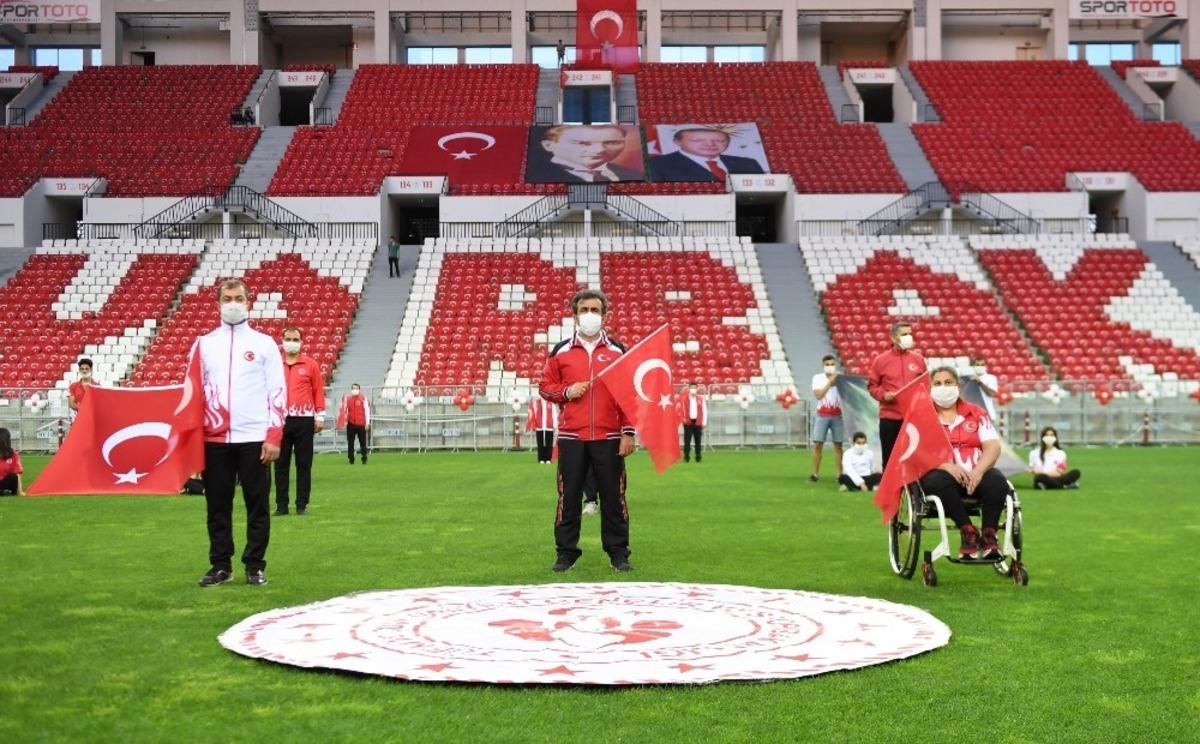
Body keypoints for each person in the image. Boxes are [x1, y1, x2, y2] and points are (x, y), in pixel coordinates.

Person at [191, 278, 285, 587]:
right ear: (218, 303)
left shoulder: (264, 344)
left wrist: (273, 436)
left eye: (238, 298)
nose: (233, 304)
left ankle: (255, 565)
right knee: (217, 505)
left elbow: (277, 391)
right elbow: (192, 394)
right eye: (227, 298)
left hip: (254, 438)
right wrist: (193, 442)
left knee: (257, 504)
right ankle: (221, 565)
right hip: (214, 438)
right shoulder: (203, 344)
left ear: (248, 302)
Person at [539, 289, 636, 572]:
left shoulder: (618, 351)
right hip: (572, 436)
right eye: (584, 310)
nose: (590, 315)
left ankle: (618, 553)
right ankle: (566, 553)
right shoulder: (561, 351)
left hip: (609, 437)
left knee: (614, 498)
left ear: (604, 316)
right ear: (575, 315)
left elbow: (629, 394)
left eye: (595, 310)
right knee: (568, 498)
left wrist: (628, 432)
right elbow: (545, 387)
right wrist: (567, 391)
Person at [918, 366, 1008, 560]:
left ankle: (989, 536)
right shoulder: (922, 416)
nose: (943, 387)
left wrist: (978, 472)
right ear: (930, 388)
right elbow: (917, 451)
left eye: (948, 382)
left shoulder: (977, 413)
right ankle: (968, 531)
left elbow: (993, 447)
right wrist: (945, 466)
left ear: (958, 385)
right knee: (936, 481)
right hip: (943, 476)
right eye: (937, 383)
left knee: (998, 481)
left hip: (976, 473)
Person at [274, 327, 325, 516]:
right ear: (282, 340)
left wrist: (320, 416)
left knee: (304, 464)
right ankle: (281, 505)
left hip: (304, 419)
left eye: (295, 339)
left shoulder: (311, 365)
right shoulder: (274, 364)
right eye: (288, 339)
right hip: (280, 420)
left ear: (301, 342)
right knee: (280, 465)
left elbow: (318, 391)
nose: (291, 342)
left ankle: (302, 504)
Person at [868, 322, 927, 468]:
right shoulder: (880, 360)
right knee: (890, 462)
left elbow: (926, 386)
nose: (909, 337)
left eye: (910, 334)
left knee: (915, 460)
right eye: (904, 334)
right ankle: (889, 484)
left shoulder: (919, 359)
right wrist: (884, 395)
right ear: (893, 338)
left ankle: (915, 484)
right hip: (890, 419)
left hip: (914, 419)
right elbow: (872, 386)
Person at [527, 125, 643, 183]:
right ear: (548, 145)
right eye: (582, 143)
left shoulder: (635, 176)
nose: (599, 150)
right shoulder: (535, 176)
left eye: (612, 142)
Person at [649, 127, 765, 182]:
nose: (710, 144)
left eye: (719, 140)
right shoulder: (656, 165)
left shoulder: (748, 163)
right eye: (698, 140)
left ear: (728, 142)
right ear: (677, 141)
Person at [810, 355, 844, 482]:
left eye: (832, 364)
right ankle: (815, 474)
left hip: (837, 415)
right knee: (818, 445)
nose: (830, 366)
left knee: (838, 445)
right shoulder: (817, 378)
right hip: (822, 415)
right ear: (823, 365)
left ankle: (840, 475)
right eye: (827, 364)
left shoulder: (841, 378)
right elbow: (818, 395)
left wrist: (837, 381)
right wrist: (830, 383)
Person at [678, 382, 707, 463]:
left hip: (698, 422)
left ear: (697, 389)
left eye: (694, 387)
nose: (693, 389)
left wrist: (704, 422)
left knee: (698, 441)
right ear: (689, 389)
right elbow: (681, 410)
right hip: (688, 422)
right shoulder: (685, 399)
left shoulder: (700, 399)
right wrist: (683, 419)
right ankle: (686, 457)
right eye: (691, 388)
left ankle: (698, 457)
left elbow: (704, 410)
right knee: (687, 441)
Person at [527, 392, 558, 464]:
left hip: (549, 426)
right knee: (540, 443)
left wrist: (555, 424)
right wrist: (533, 424)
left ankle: (548, 459)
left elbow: (554, 414)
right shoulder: (536, 403)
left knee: (549, 443)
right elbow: (533, 413)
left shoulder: (551, 403)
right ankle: (541, 458)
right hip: (539, 426)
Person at [342, 383, 370, 465]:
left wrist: (367, 423)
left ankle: (364, 458)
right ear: (351, 389)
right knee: (350, 443)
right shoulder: (348, 399)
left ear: (359, 389)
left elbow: (367, 411)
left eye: (356, 388)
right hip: (351, 424)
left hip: (361, 424)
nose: (355, 390)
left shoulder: (363, 399)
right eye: (353, 388)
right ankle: (351, 459)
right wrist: (344, 420)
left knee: (363, 443)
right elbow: (345, 410)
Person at [969, 355, 1000, 422]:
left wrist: (979, 382)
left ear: (986, 366)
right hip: (971, 416)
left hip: (988, 415)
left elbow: (992, 394)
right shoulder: (968, 379)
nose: (980, 367)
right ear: (973, 366)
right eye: (977, 365)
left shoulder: (991, 378)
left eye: (982, 365)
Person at [0, 427, 25, 496]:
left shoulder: (13, 455)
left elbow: (17, 474)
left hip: (6, 483)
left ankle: (3, 491)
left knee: (13, 476)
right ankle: (2, 492)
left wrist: (20, 492)